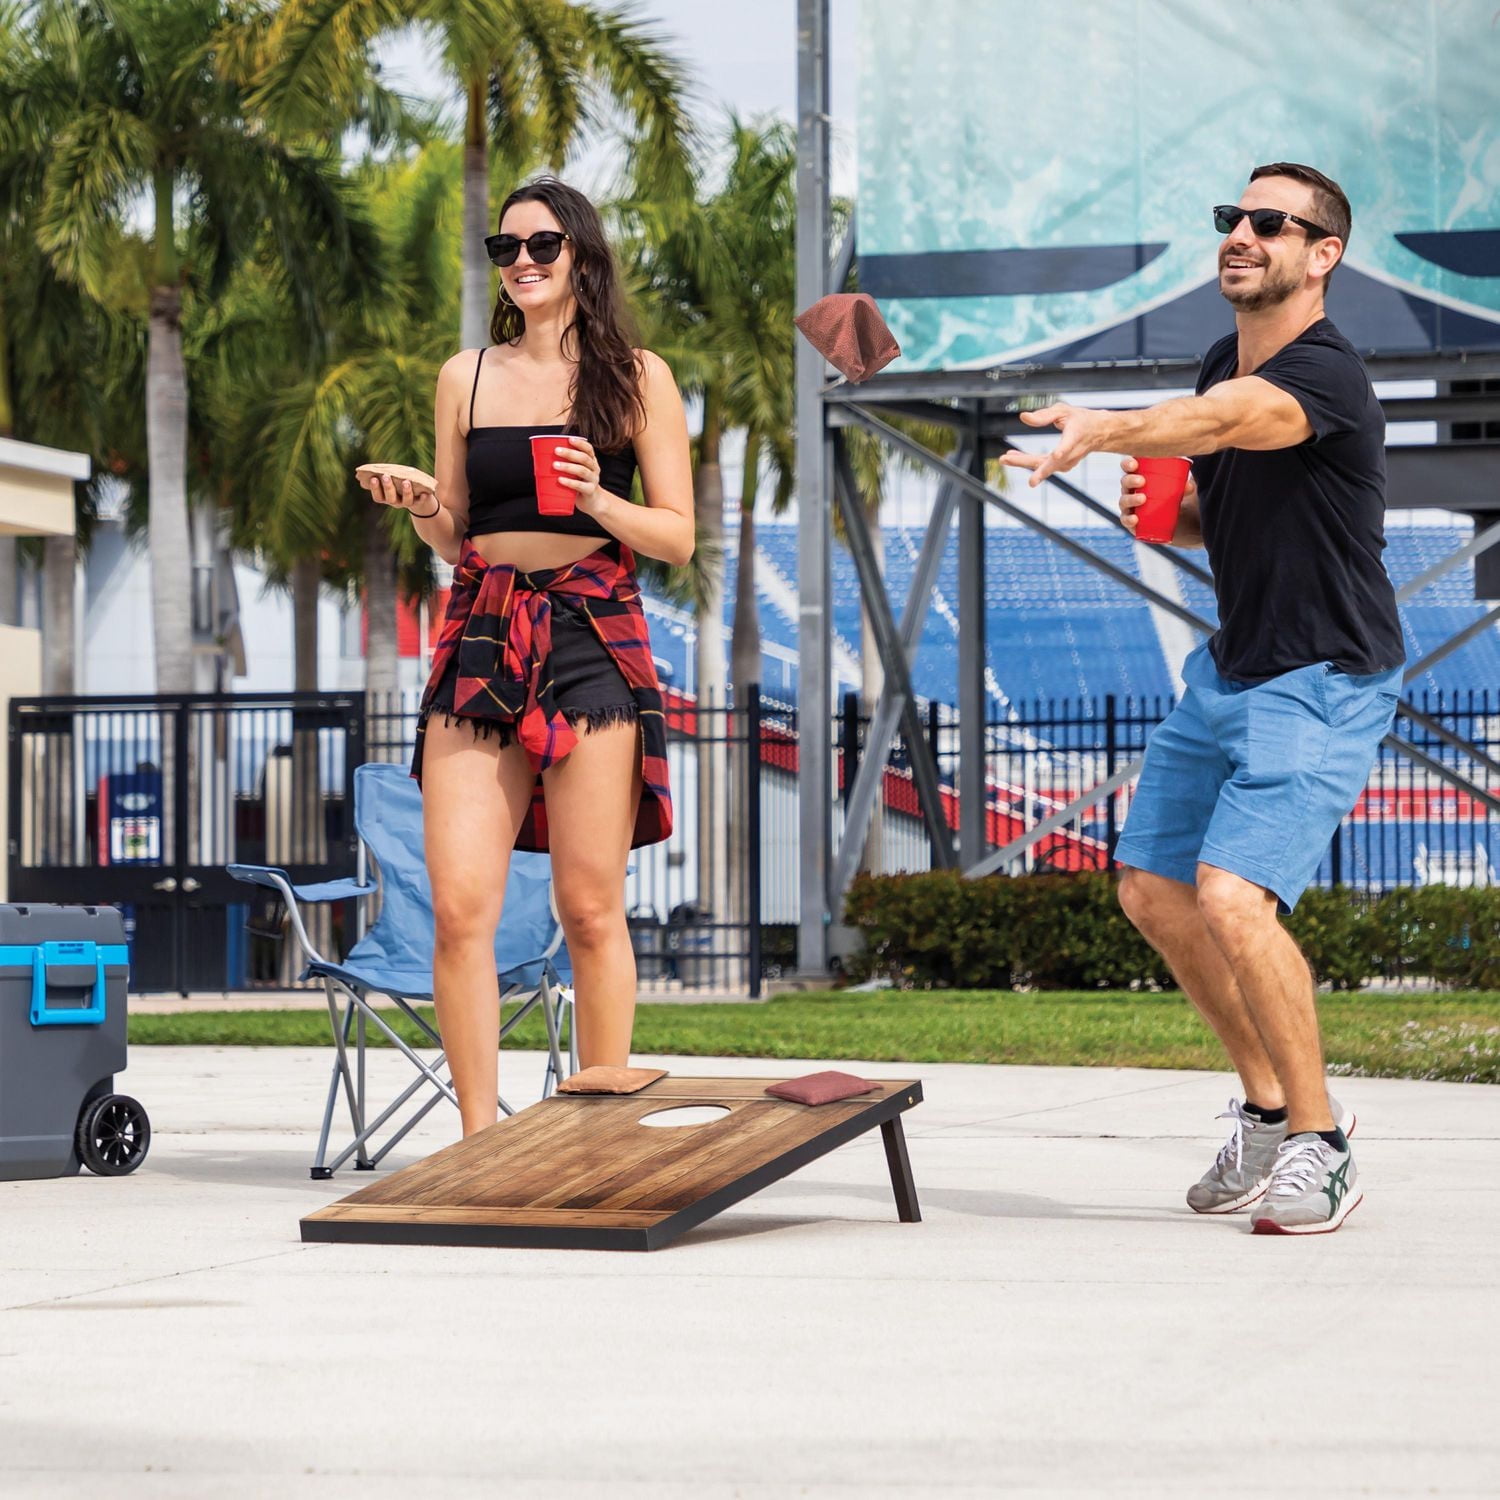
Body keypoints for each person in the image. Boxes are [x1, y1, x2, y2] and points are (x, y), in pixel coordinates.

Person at [999, 163, 1404, 1235]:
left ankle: (1322, 1145)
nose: (1243, 235)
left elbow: (1231, 422)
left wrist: (1110, 427)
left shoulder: (1324, 375)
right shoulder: (1224, 353)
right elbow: (1222, 487)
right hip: (1231, 669)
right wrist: (1166, 518)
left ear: (1323, 255)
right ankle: (1268, 1106)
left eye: (1272, 223)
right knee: (1152, 891)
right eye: (1234, 218)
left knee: (1231, 896)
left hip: (1321, 675)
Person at [358, 176, 693, 1138]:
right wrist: (424, 503)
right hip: (482, 630)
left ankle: (598, 1136)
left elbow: (676, 537)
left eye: (542, 246)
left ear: (582, 256)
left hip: (591, 633)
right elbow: (458, 529)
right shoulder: (464, 375)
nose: (523, 264)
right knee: (460, 911)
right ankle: (477, 1141)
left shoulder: (637, 376)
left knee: (590, 909)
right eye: (507, 250)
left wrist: (597, 500)